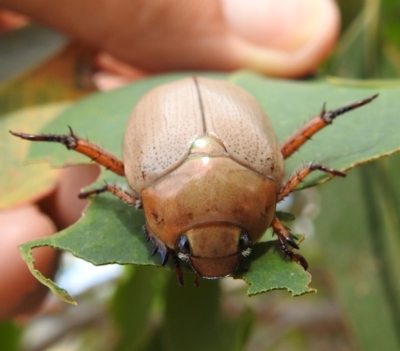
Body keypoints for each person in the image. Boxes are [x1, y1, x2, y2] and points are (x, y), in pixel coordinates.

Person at [0, 0, 340, 319]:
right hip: (208, 96)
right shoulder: (260, 183)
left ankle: (68, 142)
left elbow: (128, 195)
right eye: (241, 244)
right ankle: (68, 141)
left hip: (182, 98)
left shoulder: (259, 180)